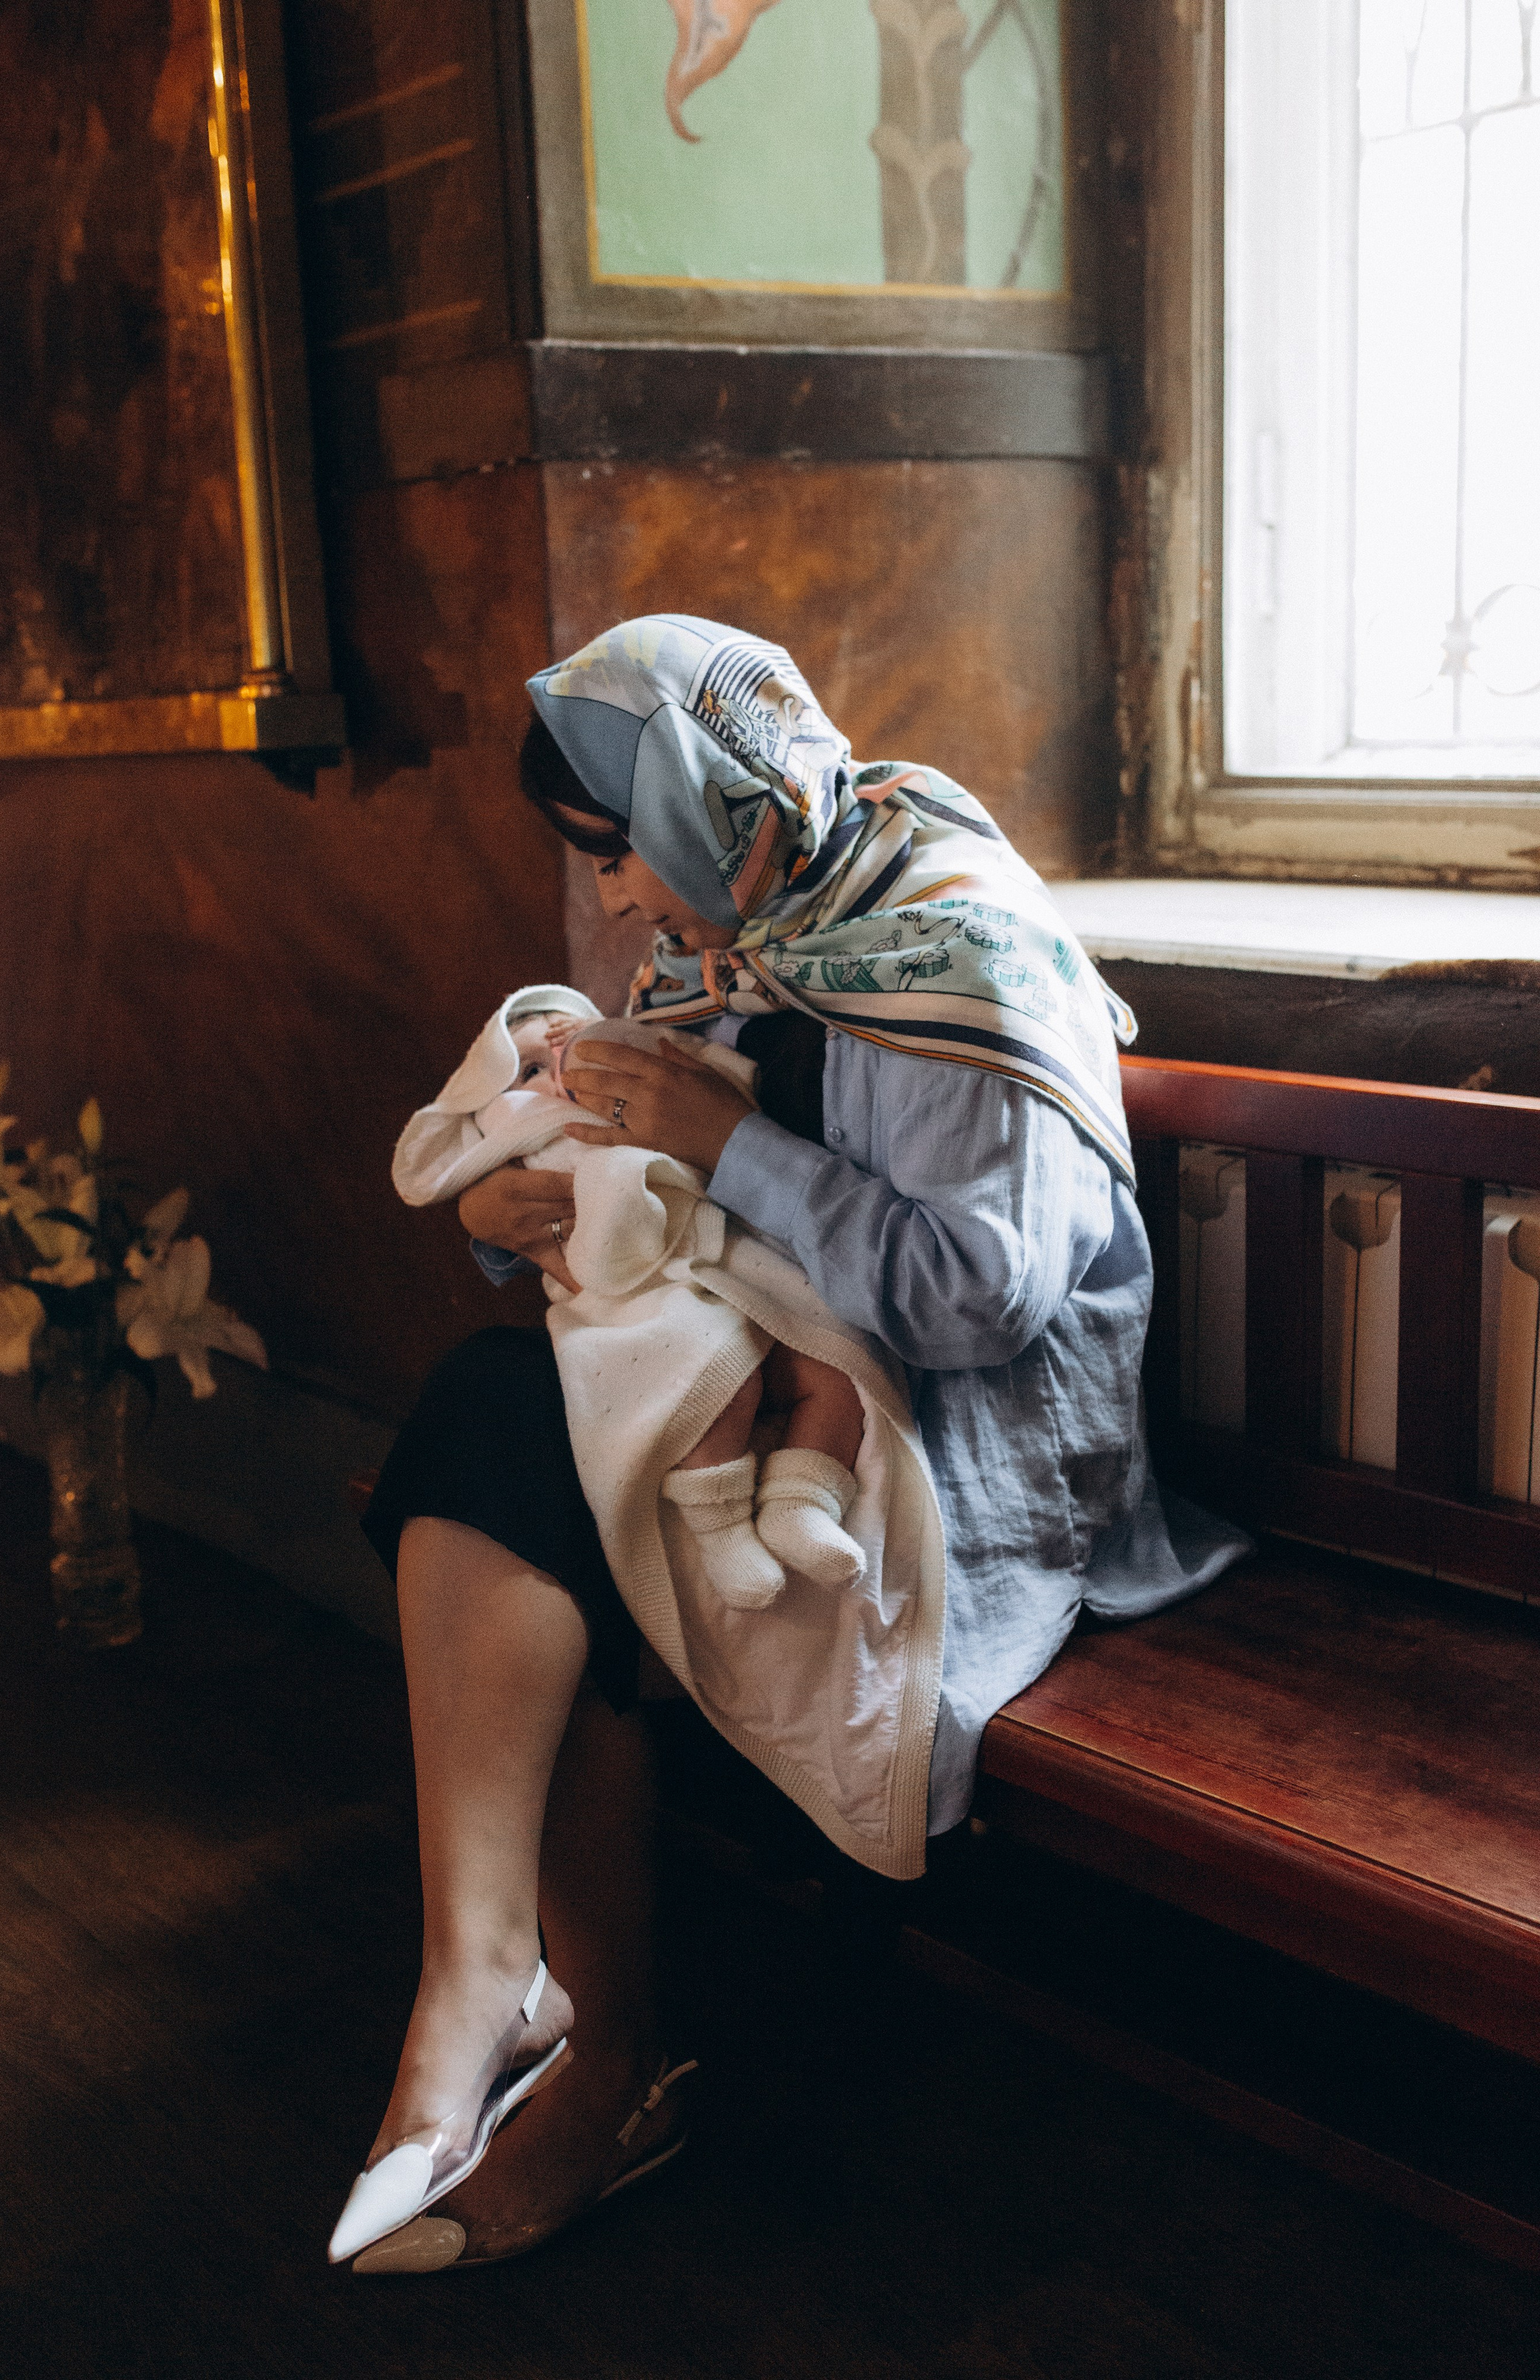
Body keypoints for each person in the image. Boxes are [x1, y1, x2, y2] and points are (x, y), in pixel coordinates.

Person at [337, 614, 1248, 2277]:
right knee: (510, 1415)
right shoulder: (763, 908)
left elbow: (987, 1302)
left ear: (718, 801)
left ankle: (575, 2040)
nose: (618, 902)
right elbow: (646, 1180)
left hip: (976, 1442)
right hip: (776, 1375)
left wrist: (729, 1140)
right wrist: (511, 1207)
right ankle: (488, 1984)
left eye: (621, 853)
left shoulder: (959, 939)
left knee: (538, 1485)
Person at [390, 982, 875, 1609]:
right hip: (645, 1295)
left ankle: (802, 1505)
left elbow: (712, 1090)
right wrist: (483, 1210)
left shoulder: (640, 1069)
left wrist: (612, 1051)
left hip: (733, 1256)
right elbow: (518, 1203)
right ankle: (721, 1527)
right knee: (719, 1381)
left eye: (568, 1036)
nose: (556, 1063)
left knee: (834, 1374)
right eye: (530, 1068)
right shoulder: (528, 1124)